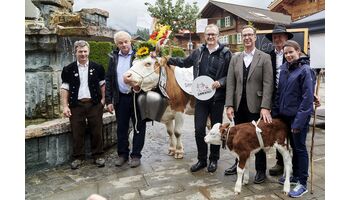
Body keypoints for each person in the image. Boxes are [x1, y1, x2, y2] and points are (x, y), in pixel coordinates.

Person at [167, 24, 232, 173]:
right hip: (201, 97)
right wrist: (168, 59)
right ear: (205, 35)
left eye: (213, 34)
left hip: (217, 98)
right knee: (198, 129)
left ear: (218, 35)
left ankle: (214, 159)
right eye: (208, 34)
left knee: (216, 129)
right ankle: (202, 159)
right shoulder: (199, 52)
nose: (210, 37)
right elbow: (184, 63)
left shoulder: (226, 53)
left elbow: (231, 74)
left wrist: (221, 82)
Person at [225, 25, 274, 184]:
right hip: (239, 105)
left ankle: (260, 171)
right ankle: (239, 165)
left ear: (254, 37)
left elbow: (268, 83)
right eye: (244, 35)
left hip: (257, 105)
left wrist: (265, 106)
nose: (247, 38)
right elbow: (231, 83)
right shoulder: (235, 58)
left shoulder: (264, 57)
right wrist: (229, 105)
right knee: (239, 139)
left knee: (258, 138)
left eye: (249, 35)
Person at [272, 40, 314, 198]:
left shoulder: (305, 70)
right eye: (286, 53)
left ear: (299, 51)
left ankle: (302, 182)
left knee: (300, 149)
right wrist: (276, 115)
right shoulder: (284, 69)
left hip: (298, 119)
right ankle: (295, 175)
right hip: (285, 118)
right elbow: (279, 93)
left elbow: (307, 99)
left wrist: (298, 122)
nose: (288, 55)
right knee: (292, 148)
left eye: (291, 52)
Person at [61, 40, 106, 170]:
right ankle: (78, 157)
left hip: (94, 104)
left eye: (85, 51)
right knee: (77, 132)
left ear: (89, 52)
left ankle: (98, 155)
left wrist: (103, 100)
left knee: (97, 131)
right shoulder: (68, 69)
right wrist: (65, 106)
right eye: (80, 51)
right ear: (75, 52)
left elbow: (102, 85)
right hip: (76, 105)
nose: (83, 54)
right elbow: (65, 88)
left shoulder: (97, 67)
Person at [105, 31, 146, 168]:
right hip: (120, 98)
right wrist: (109, 100)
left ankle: (136, 155)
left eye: (126, 42)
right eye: (120, 43)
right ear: (116, 44)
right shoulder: (113, 57)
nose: (124, 45)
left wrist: (138, 87)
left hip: (137, 97)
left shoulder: (139, 56)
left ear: (130, 42)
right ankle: (122, 154)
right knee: (121, 128)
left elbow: (146, 76)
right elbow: (109, 79)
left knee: (139, 127)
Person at [265, 24, 294, 177]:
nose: (278, 39)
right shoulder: (268, 55)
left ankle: (293, 163)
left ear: (286, 38)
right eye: (275, 37)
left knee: (293, 131)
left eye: (281, 36)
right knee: (277, 131)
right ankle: (280, 162)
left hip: (290, 99)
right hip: (275, 100)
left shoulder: (293, 53)